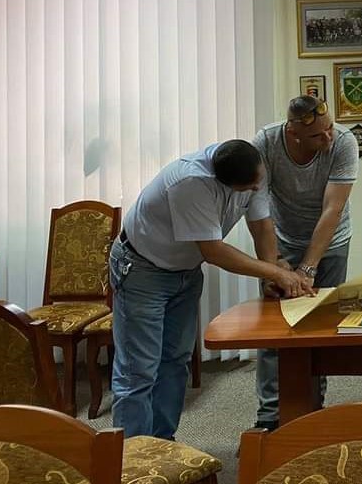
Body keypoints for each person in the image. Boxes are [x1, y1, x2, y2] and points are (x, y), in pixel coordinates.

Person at [109, 140, 312, 439]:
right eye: (248, 188)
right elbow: (214, 251)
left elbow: (261, 226)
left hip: (185, 272)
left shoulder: (254, 167)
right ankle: (132, 454)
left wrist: (271, 275)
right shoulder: (191, 182)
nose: (257, 189)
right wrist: (277, 273)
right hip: (142, 270)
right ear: (225, 183)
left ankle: (162, 443)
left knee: (175, 360)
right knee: (138, 369)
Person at [251, 95, 359, 431]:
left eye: (330, 129)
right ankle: (269, 418)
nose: (328, 138)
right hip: (282, 241)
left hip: (331, 243)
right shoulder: (266, 143)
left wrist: (307, 269)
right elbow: (258, 212)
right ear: (293, 133)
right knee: (274, 331)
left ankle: (313, 412)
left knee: (318, 327)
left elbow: (332, 209)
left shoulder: (344, 142)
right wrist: (272, 266)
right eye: (317, 135)